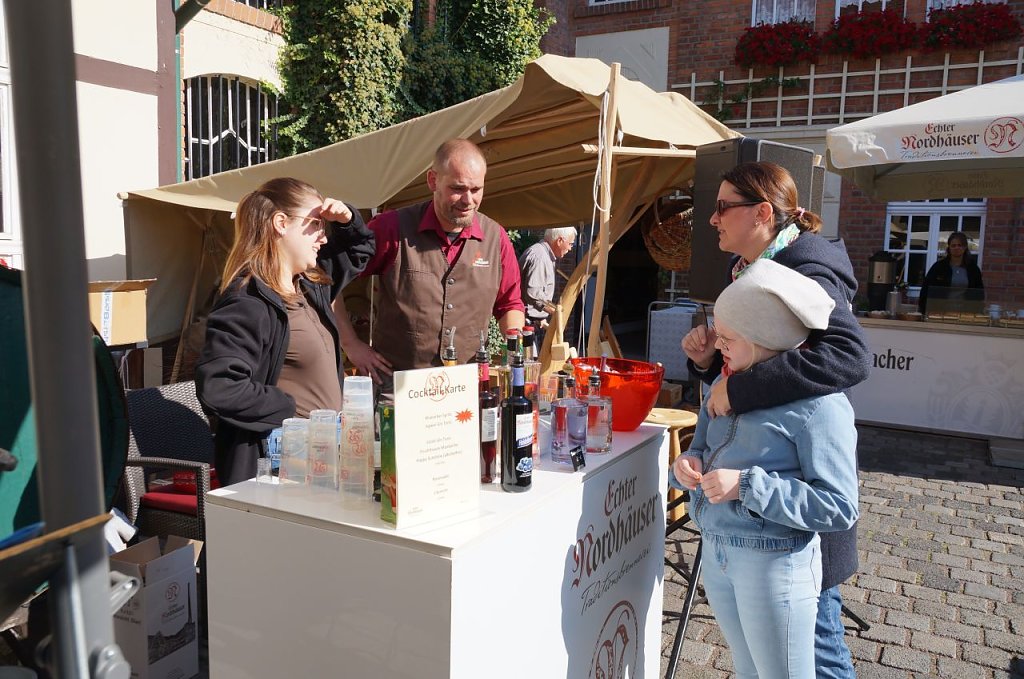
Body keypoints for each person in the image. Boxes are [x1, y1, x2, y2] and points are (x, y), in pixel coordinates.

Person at [681, 161, 870, 678]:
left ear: (762, 212)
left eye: (723, 207)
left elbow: (848, 358)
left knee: (819, 650)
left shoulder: (806, 266)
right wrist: (710, 363)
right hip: (749, 517)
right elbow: (750, 362)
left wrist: (737, 388)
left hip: (793, 514)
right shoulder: (746, 268)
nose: (713, 219)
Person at [196, 177, 374, 486]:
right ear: (281, 223)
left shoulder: (311, 285)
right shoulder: (248, 301)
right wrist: (288, 407)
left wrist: (347, 220)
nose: (323, 237)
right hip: (285, 459)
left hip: (326, 450)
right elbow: (220, 386)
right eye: (316, 223)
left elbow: (360, 250)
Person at [334, 139, 525, 392]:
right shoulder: (392, 228)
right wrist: (350, 344)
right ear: (433, 180)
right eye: (458, 188)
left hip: (464, 389)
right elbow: (327, 279)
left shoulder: (496, 238)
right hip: (397, 389)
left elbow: (510, 304)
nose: (468, 199)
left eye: (476, 189)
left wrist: (516, 348)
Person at [518, 226, 576, 348]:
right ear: (560, 241)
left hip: (531, 322)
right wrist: (555, 311)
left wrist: (541, 318)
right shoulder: (540, 257)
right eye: (570, 244)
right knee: (529, 359)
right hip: (525, 325)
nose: (570, 248)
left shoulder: (543, 255)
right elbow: (534, 293)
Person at [917, 231, 984, 314]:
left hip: (965, 314)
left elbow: (979, 294)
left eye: (960, 245)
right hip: (940, 313)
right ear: (949, 247)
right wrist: (924, 311)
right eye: (953, 245)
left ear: (965, 247)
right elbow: (925, 290)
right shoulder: (939, 267)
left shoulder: (973, 269)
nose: (956, 248)